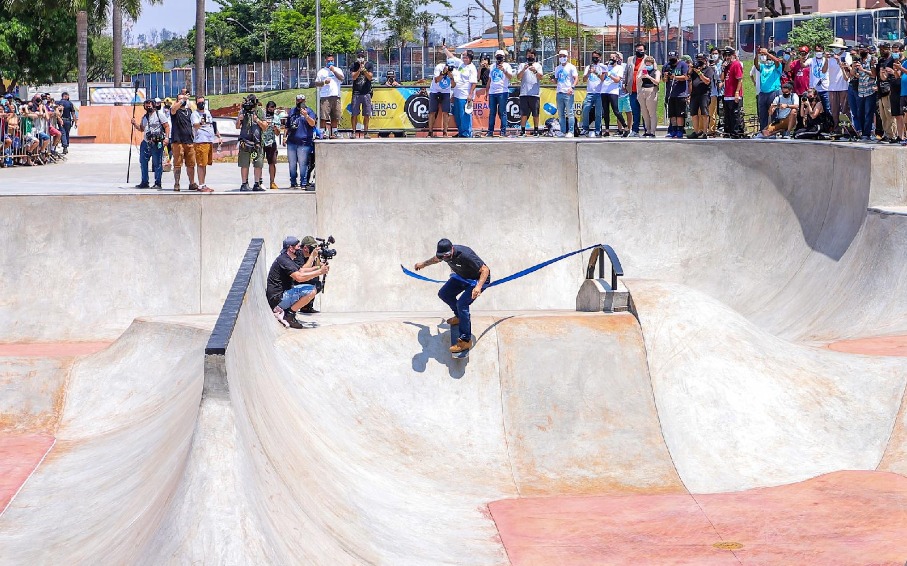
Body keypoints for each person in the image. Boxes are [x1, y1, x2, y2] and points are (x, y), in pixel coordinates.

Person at [413, 238, 490, 354]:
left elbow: (485, 270)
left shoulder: (466, 254)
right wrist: (423, 264)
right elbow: (435, 259)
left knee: (462, 304)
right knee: (444, 294)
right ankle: (459, 317)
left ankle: (465, 340)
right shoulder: (443, 255)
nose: (446, 258)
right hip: (462, 277)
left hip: (478, 280)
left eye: (447, 255)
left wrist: (478, 287)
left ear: (452, 249)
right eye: (443, 256)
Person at [266, 236, 329, 329]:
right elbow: (299, 277)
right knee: (311, 290)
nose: (300, 249)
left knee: (312, 287)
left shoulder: (287, 258)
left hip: (280, 296)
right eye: (297, 247)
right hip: (278, 299)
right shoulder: (284, 260)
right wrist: (320, 272)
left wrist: (320, 267)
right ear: (291, 248)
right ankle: (289, 315)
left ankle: (289, 312)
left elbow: (302, 270)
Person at [130, 98, 170, 190]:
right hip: (146, 143)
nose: (148, 107)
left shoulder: (160, 115)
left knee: (157, 163)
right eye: (146, 105)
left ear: (154, 105)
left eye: (150, 105)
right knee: (143, 162)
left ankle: (158, 182)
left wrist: (166, 138)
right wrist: (135, 124)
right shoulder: (144, 117)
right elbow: (141, 129)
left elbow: (167, 126)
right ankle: (144, 182)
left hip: (157, 142)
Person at [235, 94, 268, 191]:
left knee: (258, 163)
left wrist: (257, 120)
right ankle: (244, 183)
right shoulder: (243, 111)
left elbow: (265, 127)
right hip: (245, 142)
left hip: (257, 142)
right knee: (244, 163)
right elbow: (237, 126)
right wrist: (239, 119)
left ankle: (257, 183)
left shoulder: (260, 111)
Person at [286, 93, 317, 189]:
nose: (299, 102)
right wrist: (284, 137)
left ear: (305, 101)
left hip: (304, 142)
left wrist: (306, 116)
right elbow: (287, 126)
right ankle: (293, 182)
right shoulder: (292, 111)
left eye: (301, 101)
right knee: (292, 163)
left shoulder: (309, 111)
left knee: (303, 163)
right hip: (291, 141)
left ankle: (303, 182)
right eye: (298, 100)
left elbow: (313, 124)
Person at [445, 46, 477, 138]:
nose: (463, 58)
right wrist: (445, 49)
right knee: (458, 115)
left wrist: (470, 95)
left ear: (470, 58)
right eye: (463, 56)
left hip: (465, 95)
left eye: (465, 56)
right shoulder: (461, 64)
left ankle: (467, 133)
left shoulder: (472, 68)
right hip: (457, 94)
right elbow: (451, 57)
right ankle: (461, 132)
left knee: (465, 115)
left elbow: (474, 83)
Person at [169, 92, 197, 191]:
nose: (183, 101)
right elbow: (173, 109)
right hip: (178, 141)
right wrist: (182, 100)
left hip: (189, 140)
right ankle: (177, 183)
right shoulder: (174, 111)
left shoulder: (189, 111)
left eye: (184, 99)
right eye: (180, 99)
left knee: (191, 164)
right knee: (177, 164)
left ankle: (192, 183)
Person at [191, 95, 220, 192]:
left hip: (209, 140)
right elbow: (195, 125)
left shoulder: (207, 112)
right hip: (200, 141)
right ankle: (201, 185)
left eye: (203, 102)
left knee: (205, 163)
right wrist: (201, 122)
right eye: (199, 103)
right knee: (200, 164)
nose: (201, 104)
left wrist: (218, 135)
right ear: (196, 104)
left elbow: (212, 124)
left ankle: (204, 184)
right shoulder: (194, 114)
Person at [754, 47, 783, 132]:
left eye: (770, 57)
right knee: (762, 114)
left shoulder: (777, 66)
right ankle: (763, 131)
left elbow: (777, 61)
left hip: (774, 92)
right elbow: (756, 65)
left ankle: (773, 131)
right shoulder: (763, 66)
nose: (768, 59)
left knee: (774, 113)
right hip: (763, 93)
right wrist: (757, 54)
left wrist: (767, 53)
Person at [826, 38, 852, 131]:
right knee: (834, 110)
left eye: (837, 47)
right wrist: (826, 59)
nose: (835, 49)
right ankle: (837, 128)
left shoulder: (847, 55)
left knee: (845, 109)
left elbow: (847, 68)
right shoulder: (830, 58)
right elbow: (824, 70)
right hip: (832, 87)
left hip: (843, 86)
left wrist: (839, 60)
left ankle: (847, 129)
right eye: (834, 47)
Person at [316, 54, 344, 138]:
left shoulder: (338, 70)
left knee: (335, 115)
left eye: (332, 61)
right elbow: (317, 83)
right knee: (324, 116)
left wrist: (334, 71)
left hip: (336, 96)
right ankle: (322, 132)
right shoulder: (321, 71)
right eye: (328, 61)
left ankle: (335, 132)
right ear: (325, 61)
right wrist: (324, 82)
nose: (330, 62)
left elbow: (341, 79)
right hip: (325, 97)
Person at [486, 49, 513, 137]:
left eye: (500, 56)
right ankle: (490, 131)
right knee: (492, 112)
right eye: (497, 56)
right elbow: (490, 80)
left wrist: (504, 70)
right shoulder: (492, 66)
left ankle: (503, 131)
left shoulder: (507, 66)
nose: (499, 58)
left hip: (502, 91)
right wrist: (487, 91)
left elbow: (510, 77)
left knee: (502, 112)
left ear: (503, 57)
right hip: (492, 92)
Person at [663, 51, 689, 138]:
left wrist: (674, 76)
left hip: (680, 94)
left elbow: (685, 77)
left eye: (673, 58)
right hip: (670, 93)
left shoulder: (683, 65)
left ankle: (679, 130)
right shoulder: (667, 66)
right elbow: (664, 80)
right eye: (670, 58)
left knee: (679, 114)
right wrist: (666, 76)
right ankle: (673, 130)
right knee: (672, 114)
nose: (672, 60)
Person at [517, 48, 543, 136]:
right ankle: (522, 130)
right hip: (524, 93)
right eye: (528, 55)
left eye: (532, 55)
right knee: (523, 113)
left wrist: (535, 71)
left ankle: (536, 130)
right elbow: (518, 77)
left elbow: (541, 77)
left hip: (535, 94)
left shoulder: (538, 65)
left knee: (535, 113)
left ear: (535, 56)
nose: (530, 56)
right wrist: (524, 69)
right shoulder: (522, 65)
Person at [623, 43, 647, 136]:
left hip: (643, 89)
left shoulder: (649, 59)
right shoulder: (630, 59)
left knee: (645, 111)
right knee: (635, 111)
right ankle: (635, 130)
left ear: (644, 50)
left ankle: (647, 130)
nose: (639, 51)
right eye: (637, 50)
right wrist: (624, 84)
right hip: (632, 90)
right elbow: (626, 72)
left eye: (641, 50)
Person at [688, 53, 714, 138]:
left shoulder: (708, 69)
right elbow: (687, 77)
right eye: (698, 59)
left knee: (704, 113)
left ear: (705, 60)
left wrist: (699, 73)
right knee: (694, 113)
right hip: (694, 94)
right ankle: (695, 131)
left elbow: (707, 81)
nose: (699, 61)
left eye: (701, 59)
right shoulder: (694, 70)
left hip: (704, 94)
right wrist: (691, 69)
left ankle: (705, 132)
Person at [429, 56, 456, 137]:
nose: (450, 68)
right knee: (432, 112)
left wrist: (451, 77)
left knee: (446, 112)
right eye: (449, 66)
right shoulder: (439, 67)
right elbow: (436, 80)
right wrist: (443, 73)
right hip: (435, 90)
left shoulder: (454, 71)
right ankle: (430, 131)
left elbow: (454, 85)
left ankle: (445, 131)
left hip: (445, 92)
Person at [349, 50, 374, 138]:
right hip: (356, 93)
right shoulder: (354, 65)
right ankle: (353, 132)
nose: (361, 58)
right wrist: (359, 70)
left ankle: (366, 132)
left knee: (367, 114)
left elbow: (370, 77)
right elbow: (353, 77)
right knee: (354, 113)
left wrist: (365, 71)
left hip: (366, 93)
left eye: (362, 56)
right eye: (359, 56)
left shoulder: (369, 65)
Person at [553, 50, 578, 137]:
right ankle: (562, 131)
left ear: (567, 57)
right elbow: (556, 80)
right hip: (559, 92)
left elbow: (576, 78)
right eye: (560, 56)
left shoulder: (571, 67)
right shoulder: (557, 68)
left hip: (568, 92)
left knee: (570, 113)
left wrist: (572, 87)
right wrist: (553, 79)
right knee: (560, 114)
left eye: (564, 56)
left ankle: (571, 131)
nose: (562, 58)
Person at [581, 51, 605, 136]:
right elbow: (584, 79)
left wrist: (595, 72)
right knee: (585, 110)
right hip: (590, 93)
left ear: (600, 58)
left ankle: (598, 129)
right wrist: (588, 73)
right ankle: (585, 128)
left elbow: (603, 79)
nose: (595, 58)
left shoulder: (602, 67)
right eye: (593, 57)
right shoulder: (588, 67)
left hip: (599, 93)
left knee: (598, 113)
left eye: (596, 57)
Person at [721, 47, 744, 138]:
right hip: (727, 94)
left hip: (734, 94)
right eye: (725, 56)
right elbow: (722, 78)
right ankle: (729, 131)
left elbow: (740, 79)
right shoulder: (726, 66)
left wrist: (737, 92)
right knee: (728, 115)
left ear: (733, 55)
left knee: (735, 114)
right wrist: (723, 68)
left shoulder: (736, 64)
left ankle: (736, 132)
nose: (727, 57)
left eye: (729, 55)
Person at [806, 44, 831, 122]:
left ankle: (829, 126)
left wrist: (826, 59)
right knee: (814, 108)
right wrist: (802, 57)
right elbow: (803, 65)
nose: (818, 52)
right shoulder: (811, 60)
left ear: (823, 51)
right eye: (816, 51)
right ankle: (816, 125)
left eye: (820, 51)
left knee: (827, 109)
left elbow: (824, 70)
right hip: (815, 89)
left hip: (825, 88)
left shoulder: (826, 59)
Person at [636, 56, 660, 137]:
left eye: (650, 64)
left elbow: (657, 82)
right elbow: (637, 80)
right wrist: (641, 76)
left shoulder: (656, 72)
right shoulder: (643, 71)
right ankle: (647, 130)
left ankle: (653, 131)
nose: (648, 65)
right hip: (643, 90)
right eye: (646, 64)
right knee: (644, 112)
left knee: (651, 113)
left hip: (651, 90)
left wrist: (649, 77)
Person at [262, 101, 281, 189]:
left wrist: (275, 128)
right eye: (269, 107)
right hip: (261, 141)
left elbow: (278, 133)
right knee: (259, 163)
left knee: (272, 163)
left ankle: (272, 182)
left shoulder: (276, 118)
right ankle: (259, 181)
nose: (271, 109)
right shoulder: (262, 116)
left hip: (271, 142)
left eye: (273, 107)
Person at [708, 47, 724, 135]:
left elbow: (720, 77)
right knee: (708, 111)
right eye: (713, 53)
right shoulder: (707, 64)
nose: (714, 55)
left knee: (719, 111)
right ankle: (707, 128)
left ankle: (716, 128)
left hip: (719, 91)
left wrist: (715, 69)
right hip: (709, 91)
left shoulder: (721, 64)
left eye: (716, 53)